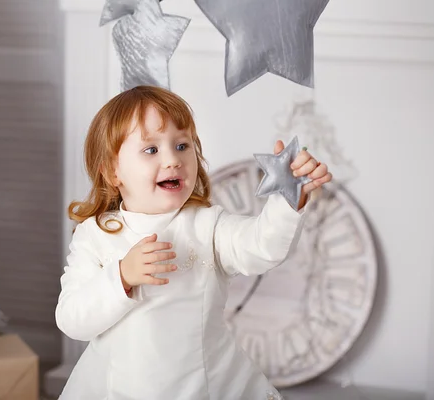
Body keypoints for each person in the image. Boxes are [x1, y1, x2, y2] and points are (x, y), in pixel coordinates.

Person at [55, 85, 332, 400]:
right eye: (151, 149)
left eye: (182, 145)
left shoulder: (208, 225)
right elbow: (72, 319)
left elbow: (262, 247)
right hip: (119, 388)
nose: (173, 159)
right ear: (112, 171)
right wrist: (121, 276)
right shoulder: (97, 234)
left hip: (204, 384)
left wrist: (288, 198)